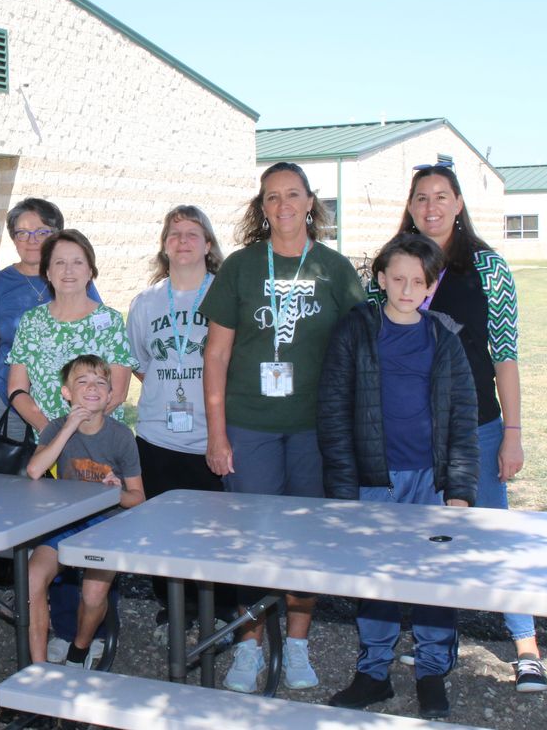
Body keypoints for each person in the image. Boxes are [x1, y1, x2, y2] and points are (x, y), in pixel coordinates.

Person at [200, 161, 364, 693]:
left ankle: (296, 645)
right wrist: (217, 433)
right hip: (250, 426)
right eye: (272, 197)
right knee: (250, 540)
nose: (283, 205)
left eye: (293, 194)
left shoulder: (335, 269)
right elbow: (216, 355)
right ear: (262, 206)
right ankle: (248, 648)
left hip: (317, 431)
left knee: (304, 541)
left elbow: (360, 352)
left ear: (311, 202)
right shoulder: (242, 267)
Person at [392, 162, 547, 692]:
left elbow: (504, 354)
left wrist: (512, 433)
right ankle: (439, 642)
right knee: (432, 539)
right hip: (412, 434)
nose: (430, 207)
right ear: (410, 207)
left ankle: (525, 645)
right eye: (420, 198)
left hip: (475, 427)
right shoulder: (397, 266)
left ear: (459, 204)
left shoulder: (487, 268)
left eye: (441, 196)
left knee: (492, 535)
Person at [318, 233, 479, 719]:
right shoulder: (355, 331)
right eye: (399, 278)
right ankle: (373, 673)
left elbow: (464, 417)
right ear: (381, 278)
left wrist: (460, 489)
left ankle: (431, 672)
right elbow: (333, 413)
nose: (407, 289)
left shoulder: (444, 337)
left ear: (430, 287)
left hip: (431, 483)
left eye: (419, 281)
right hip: (374, 481)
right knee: (378, 578)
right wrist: (345, 490)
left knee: (433, 579)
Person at [125, 204, 234, 640]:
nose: (183, 240)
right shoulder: (147, 303)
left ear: (208, 245)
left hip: (213, 435)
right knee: (163, 527)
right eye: (174, 233)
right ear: (164, 246)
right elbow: (139, 361)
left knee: (218, 527)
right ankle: (173, 609)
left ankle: (223, 609)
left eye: (193, 233)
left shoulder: (228, 294)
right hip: (157, 433)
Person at [25, 355, 145, 667]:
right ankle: (37, 671)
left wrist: (115, 492)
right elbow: (35, 470)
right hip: (66, 521)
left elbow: (139, 498)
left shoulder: (120, 436)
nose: (92, 388)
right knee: (32, 576)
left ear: (109, 396)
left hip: (106, 523)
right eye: (83, 382)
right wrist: (69, 426)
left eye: (100, 383)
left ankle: (79, 649)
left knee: (93, 595)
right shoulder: (55, 428)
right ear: (66, 393)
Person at [0, 198, 100, 441]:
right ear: (13, 238)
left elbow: (99, 339)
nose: (32, 240)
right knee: (14, 477)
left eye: (42, 231)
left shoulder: (73, 278)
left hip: (70, 404)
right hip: (11, 404)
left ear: (56, 236)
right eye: (23, 233)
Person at [8, 229, 135, 432]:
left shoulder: (110, 321)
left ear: (90, 272)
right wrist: (50, 432)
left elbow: (117, 393)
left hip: (97, 442)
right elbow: (17, 388)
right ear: (48, 272)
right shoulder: (31, 322)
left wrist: (73, 435)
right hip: (48, 442)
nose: (68, 271)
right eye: (59, 262)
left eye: (77, 262)